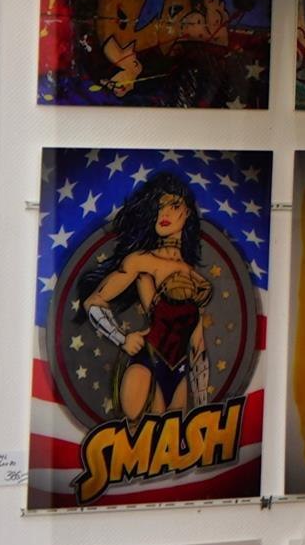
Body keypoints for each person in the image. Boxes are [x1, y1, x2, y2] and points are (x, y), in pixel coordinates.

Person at [80, 173, 222, 423]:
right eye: (159, 207)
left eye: (173, 206)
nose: (164, 214)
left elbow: (197, 344)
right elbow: (93, 302)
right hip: (147, 362)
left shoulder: (195, 279)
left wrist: (202, 410)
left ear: (188, 212)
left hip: (180, 370)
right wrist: (121, 338)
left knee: (170, 442)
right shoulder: (142, 261)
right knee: (140, 433)